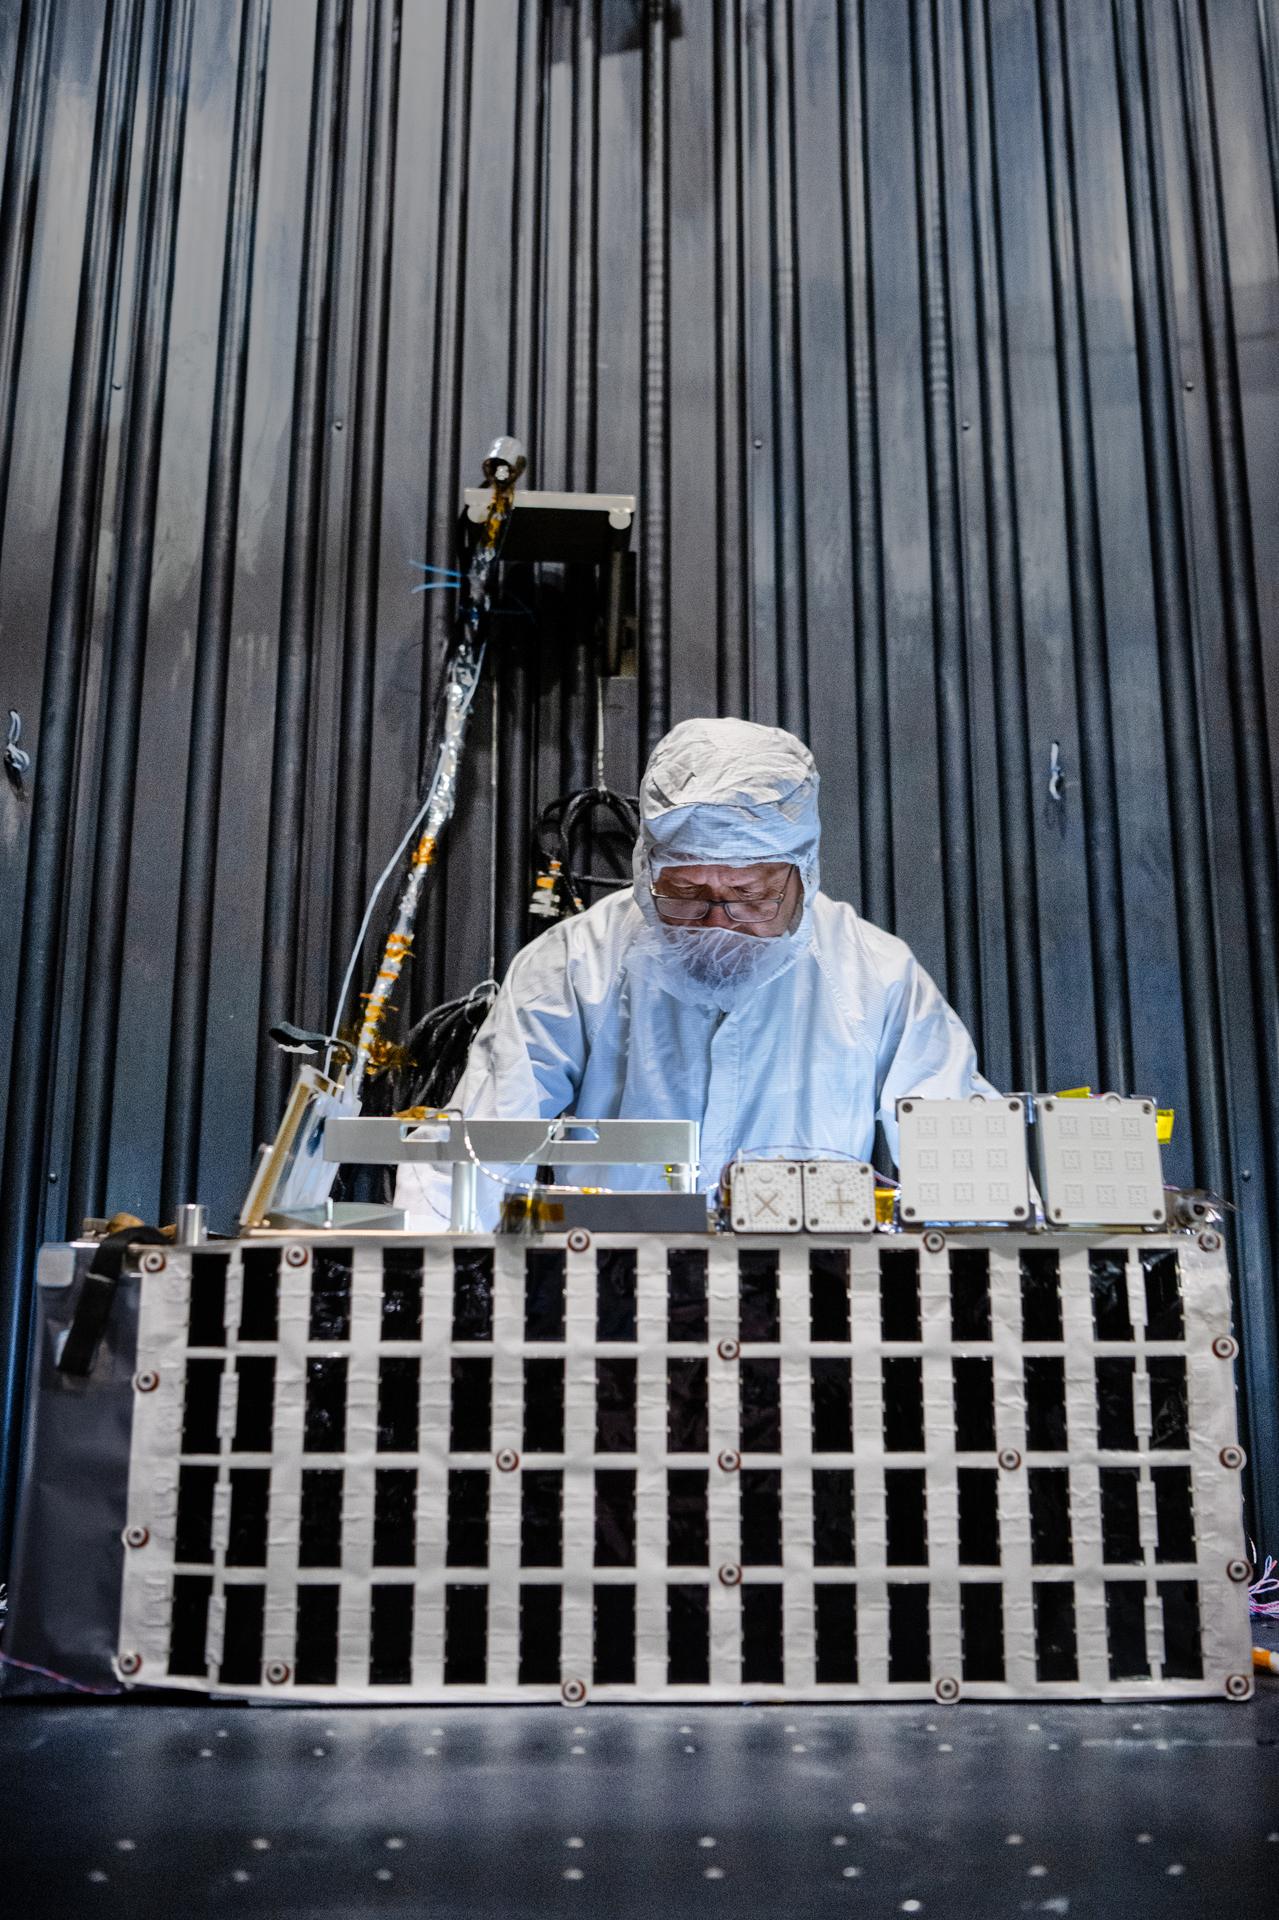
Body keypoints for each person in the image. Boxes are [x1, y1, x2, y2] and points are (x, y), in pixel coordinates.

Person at [396, 717, 996, 1227]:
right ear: (645, 872)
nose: (718, 921)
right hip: (612, 1305)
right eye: (686, 892)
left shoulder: (876, 978)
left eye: (750, 895)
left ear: (803, 875)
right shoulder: (575, 965)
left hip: (811, 1314)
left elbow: (970, 1174)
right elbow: (471, 1161)